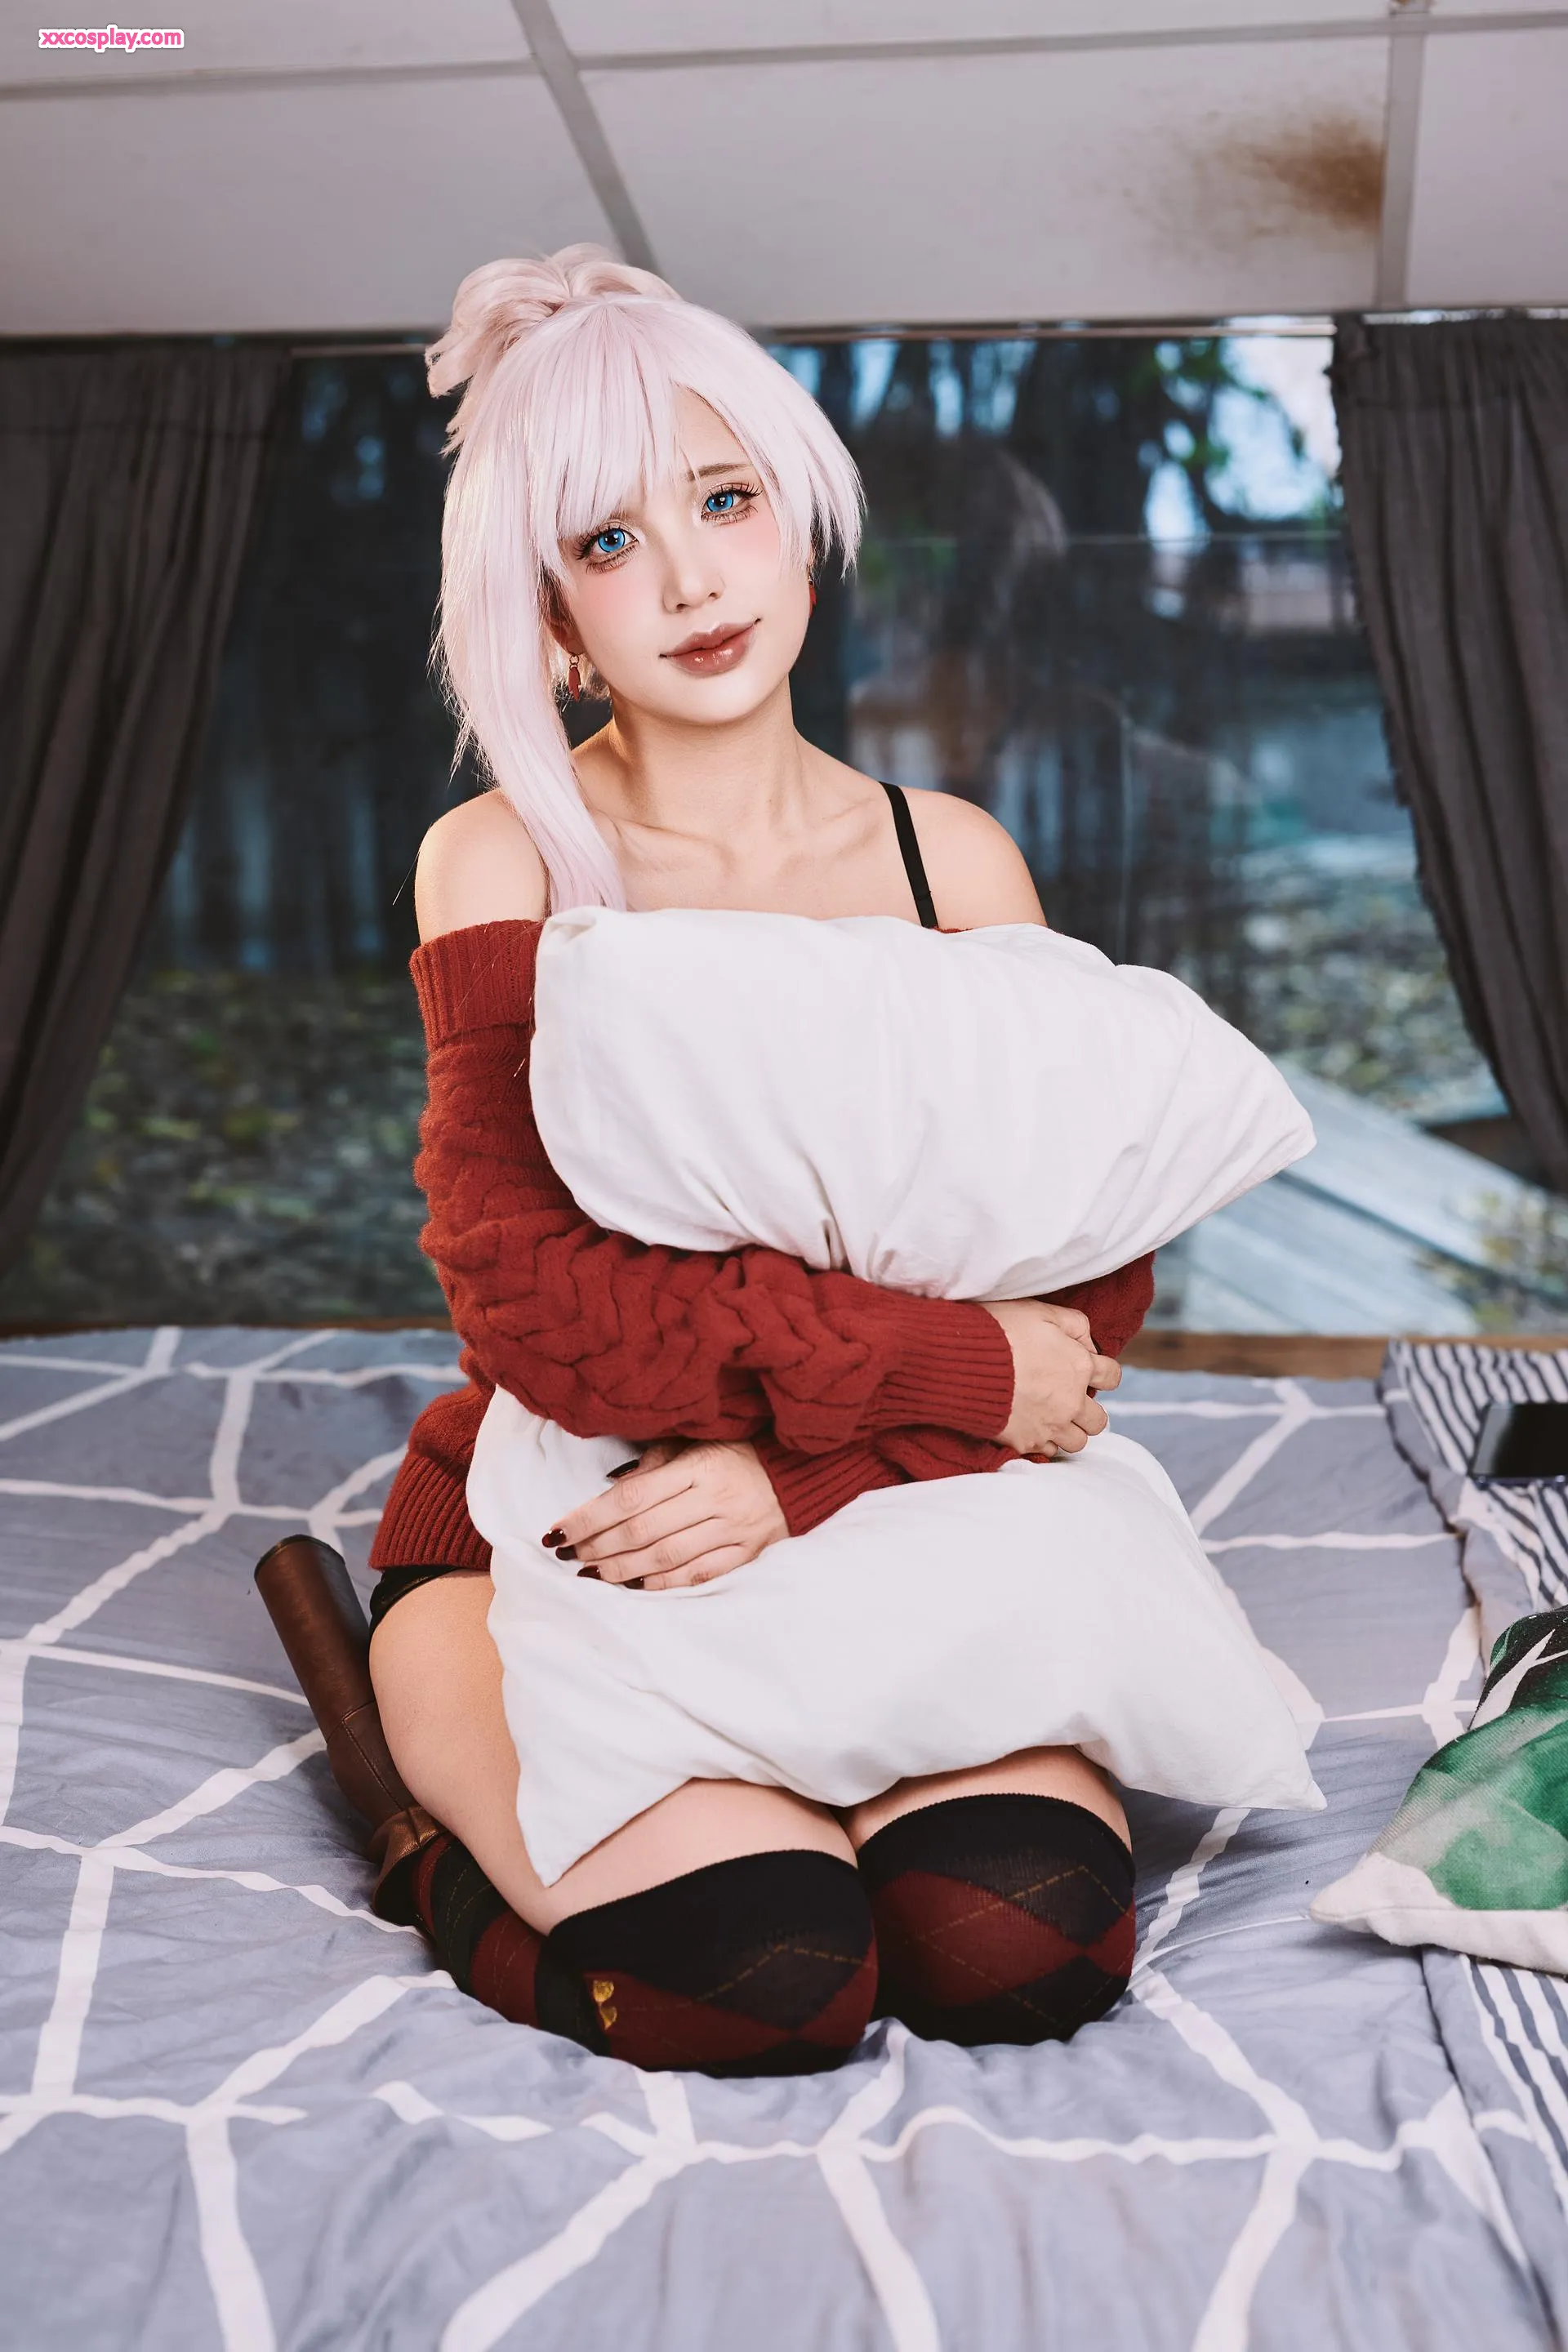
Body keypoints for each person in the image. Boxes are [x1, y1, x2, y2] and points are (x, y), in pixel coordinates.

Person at [263, 247, 1156, 2078]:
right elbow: (540, 1311)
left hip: (896, 1503)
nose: (688, 577)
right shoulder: (502, 861)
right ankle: (424, 1848)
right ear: (551, 615)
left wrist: (796, 1469)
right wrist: (947, 1359)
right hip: (578, 1527)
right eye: (609, 541)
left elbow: (1079, 1298)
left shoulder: (954, 861)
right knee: (764, 1978)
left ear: (801, 529)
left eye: (725, 501)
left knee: (1018, 1953)